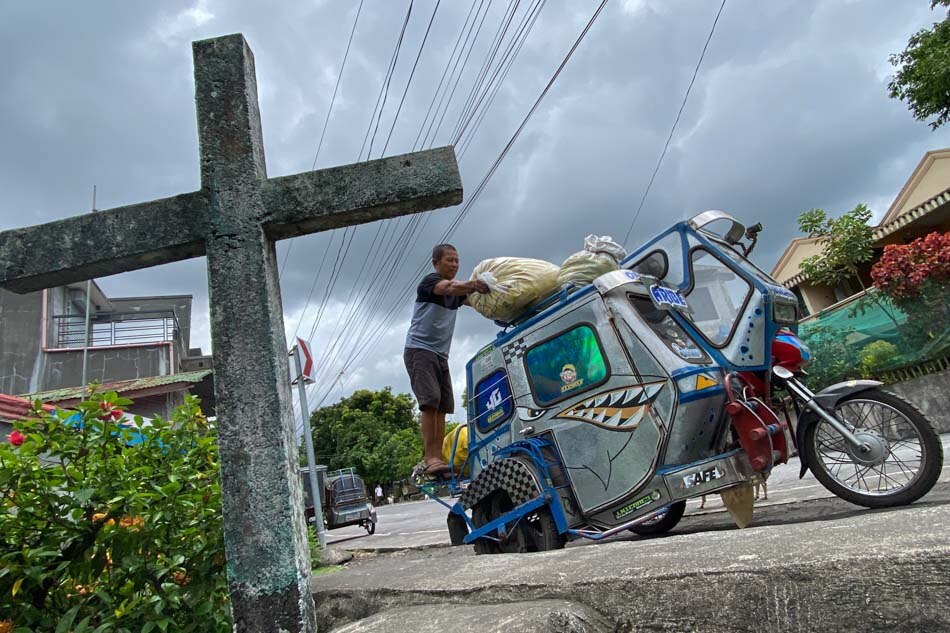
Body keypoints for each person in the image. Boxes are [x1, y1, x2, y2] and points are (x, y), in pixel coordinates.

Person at [404, 244, 489, 478]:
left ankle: (438, 457)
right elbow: (448, 287)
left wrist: (497, 295)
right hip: (420, 350)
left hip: (441, 355)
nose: (454, 264)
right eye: (449, 260)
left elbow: (476, 302)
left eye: (457, 261)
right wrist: (473, 284)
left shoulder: (456, 294)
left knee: (442, 405)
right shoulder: (431, 283)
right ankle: (430, 458)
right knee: (430, 401)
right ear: (436, 263)